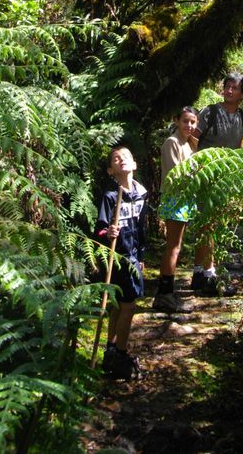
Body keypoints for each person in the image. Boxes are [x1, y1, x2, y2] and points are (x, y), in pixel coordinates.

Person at [191, 72, 243, 295]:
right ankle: (209, 275)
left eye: (234, 88)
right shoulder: (211, 112)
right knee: (208, 223)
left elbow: (238, 145)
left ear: (242, 93)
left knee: (212, 223)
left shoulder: (241, 116)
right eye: (226, 86)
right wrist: (199, 165)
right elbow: (194, 136)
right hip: (206, 174)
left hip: (225, 176)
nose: (229, 91)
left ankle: (199, 273)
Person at [94, 146, 147, 381]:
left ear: (134, 164)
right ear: (110, 170)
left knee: (121, 305)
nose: (121, 159)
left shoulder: (141, 194)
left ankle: (113, 349)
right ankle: (120, 352)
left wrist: (143, 256)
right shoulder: (110, 197)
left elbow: (143, 228)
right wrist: (109, 233)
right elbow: (100, 230)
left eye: (125, 156)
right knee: (126, 306)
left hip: (134, 256)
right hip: (117, 257)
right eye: (115, 158)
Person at [152, 106, 198, 314]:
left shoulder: (188, 144)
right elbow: (175, 174)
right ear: (177, 121)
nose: (189, 125)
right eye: (185, 121)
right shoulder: (172, 143)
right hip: (175, 198)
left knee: (176, 245)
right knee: (173, 246)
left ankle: (167, 293)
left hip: (186, 198)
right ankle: (164, 295)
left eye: (193, 122)